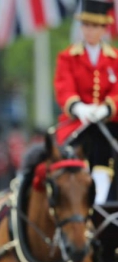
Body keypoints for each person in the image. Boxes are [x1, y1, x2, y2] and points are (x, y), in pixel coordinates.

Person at [54, 0, 118, 204]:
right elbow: (64, 87)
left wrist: (107, 108)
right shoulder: (67, 57)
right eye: (87, 25)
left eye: (95, 26)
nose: (90, 31)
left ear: (104, 28)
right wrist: (78, 106)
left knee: (107, 148)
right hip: (77, 122)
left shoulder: (115, 59)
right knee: (62, 152)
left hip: (108, 122)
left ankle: (102, 198)